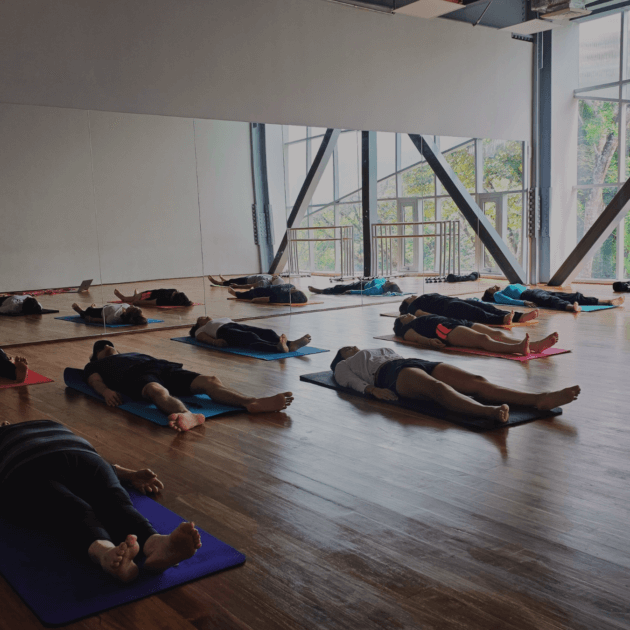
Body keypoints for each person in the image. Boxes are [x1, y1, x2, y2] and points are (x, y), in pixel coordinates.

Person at [0, 419, 202, 582]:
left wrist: (131, 475)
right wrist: (128, 474)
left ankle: (137, 547)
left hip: (60, 459)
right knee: (94, 503)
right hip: (55, 462)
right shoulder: (44, 423)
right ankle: (128, 548)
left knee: (95, 504)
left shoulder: (38, 424)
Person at [330, 346, 581, 424]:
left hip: (413, 361)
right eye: (346, 348)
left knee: (477, 382)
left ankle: (538, 399)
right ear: (342, 355)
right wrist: (372, 390)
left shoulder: (373, 348)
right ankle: (487, 412)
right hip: (390, 374)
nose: (351, 346)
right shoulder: (344, 364)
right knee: (437, 389)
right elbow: (347, 381)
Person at [84, 340, 294, 431]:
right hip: (134, 377)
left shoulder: (131, 353)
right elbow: (95, 381)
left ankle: (251, 402)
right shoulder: (95, 365)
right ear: (96, 355)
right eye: (102, 347)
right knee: (156, 391)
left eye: (110, 344)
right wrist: (106, 391)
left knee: (210, 381)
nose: (108, 346)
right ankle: (187, 415)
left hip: (162, 366)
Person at [393, 313, 559, 356]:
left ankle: (535, 345)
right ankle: (517, 347)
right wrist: (429, 341)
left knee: (494, 332)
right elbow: (414, 338)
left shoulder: (420, 317)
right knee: (482, 339)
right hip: (445, 331)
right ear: (403, 322)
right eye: (403, 316)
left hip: (457, 321)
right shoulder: (408, 328)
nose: (407, 315)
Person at [189, 316, 311, 353]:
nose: (206, 316)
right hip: (223, 332)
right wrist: (215, 342)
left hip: (235, 325)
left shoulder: (217, 319)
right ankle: (275, 348)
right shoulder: (200, 329)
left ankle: (291, 344)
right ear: (199, 324)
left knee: (267, 332)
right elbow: (201, 337)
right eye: (202, 318)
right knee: (249, 337)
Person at [399, 293, 539, 326]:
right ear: (407, 304)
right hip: (448, 308)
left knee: (487, 306)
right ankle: (501, 319)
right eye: (408, 297)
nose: (412, 296)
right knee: (476, 313)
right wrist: (442, 320)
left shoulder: (423, 297)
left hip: (455, 301)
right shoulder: (413, 306)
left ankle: (519, 317)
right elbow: (421, 314)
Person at [482, 284, 624, 312]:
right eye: (490, 289)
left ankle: (605, 301)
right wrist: (524, 302)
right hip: (527, 295)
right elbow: (509, 301)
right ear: (489, 294)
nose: (492, 287)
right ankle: (569, 307)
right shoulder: (497, 296)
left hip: (533, 290)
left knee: (570, 295)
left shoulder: (503, 289)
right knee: (550, 301)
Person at [72, 302, 148, 326]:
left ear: (129, 313)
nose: (132, 305)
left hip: (100, 313)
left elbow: (105, 320)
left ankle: (81, 311)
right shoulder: (127, 308)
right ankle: (94, 308)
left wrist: (91, 319)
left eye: (133, 307)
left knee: (88, 311)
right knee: (93, 309)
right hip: (107, 308)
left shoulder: (116, 316)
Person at [309, 278, 402, 296]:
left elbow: (365, 292)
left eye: (389, 282)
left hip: (359, 287)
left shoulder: (377, 289)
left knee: (340, 287)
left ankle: (322, 291)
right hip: (363, 282)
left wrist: (351, 291)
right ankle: (323, 291)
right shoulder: (383, 282)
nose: (388, 281)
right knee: (341, 286)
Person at [227, 284, 308, 304]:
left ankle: (237, 294)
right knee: (256, 290)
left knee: (254, 292)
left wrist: (255, 300)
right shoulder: (291, 287)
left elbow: (268, 299)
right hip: (271, 288)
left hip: (266, 291)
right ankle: (239, 293)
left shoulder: (283, 297)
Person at [114, 288, 193, 307]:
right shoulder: (174, 291)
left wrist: (137, 302)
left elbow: (150, 302)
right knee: (138, 295)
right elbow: (188, 302)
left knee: (136, 297)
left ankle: (124, 298)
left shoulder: (165, 300)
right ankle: (135, 295)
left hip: (147, 296)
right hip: (150, 293)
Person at [208, 274, 285, 289]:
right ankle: (224, 281)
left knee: (232, 281)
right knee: (233, 280)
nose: (276, 276)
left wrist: (237, 286)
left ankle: (217, 282)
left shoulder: (264, 282)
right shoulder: (270, 278)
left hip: (246, 281)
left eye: (276, 278)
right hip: (248, 278)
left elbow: (250, 286)